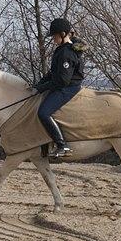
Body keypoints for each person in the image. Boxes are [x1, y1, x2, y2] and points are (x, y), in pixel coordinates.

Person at [33, 18, 87, 157]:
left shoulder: (66, 53)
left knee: (43, 113)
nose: (53, 39)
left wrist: (42, 88)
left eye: (55, 36)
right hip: (61, 84)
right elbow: (53, 73)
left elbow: (62, 80)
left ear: (63, 34)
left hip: (68, 88)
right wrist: (39, 85)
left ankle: (62, 145)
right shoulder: (61, 49)